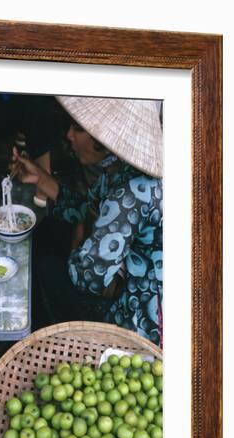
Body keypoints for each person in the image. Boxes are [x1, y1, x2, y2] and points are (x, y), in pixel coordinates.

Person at [13, 97, 163, 346]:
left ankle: (67, 346)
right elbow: (84, 208)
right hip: (121, 277)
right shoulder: (117, 169)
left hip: (137, 317)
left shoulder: (130, 191)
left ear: (105, 138)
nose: (69, 135)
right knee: (49, 240)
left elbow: (88, 277)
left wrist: (80, 237)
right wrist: (39, 177)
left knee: (47, 269)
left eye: (78, 129)